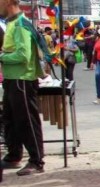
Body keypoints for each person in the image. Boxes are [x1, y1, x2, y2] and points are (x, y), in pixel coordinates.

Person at [0, 0, 47, 176]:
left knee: (27, 121)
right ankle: (14, 155)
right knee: (10, 120)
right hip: (12, 79)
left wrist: (2, 57)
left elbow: (23, 55)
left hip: (23, 80)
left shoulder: (21, 24)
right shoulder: (11, 23)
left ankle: (36, 161)